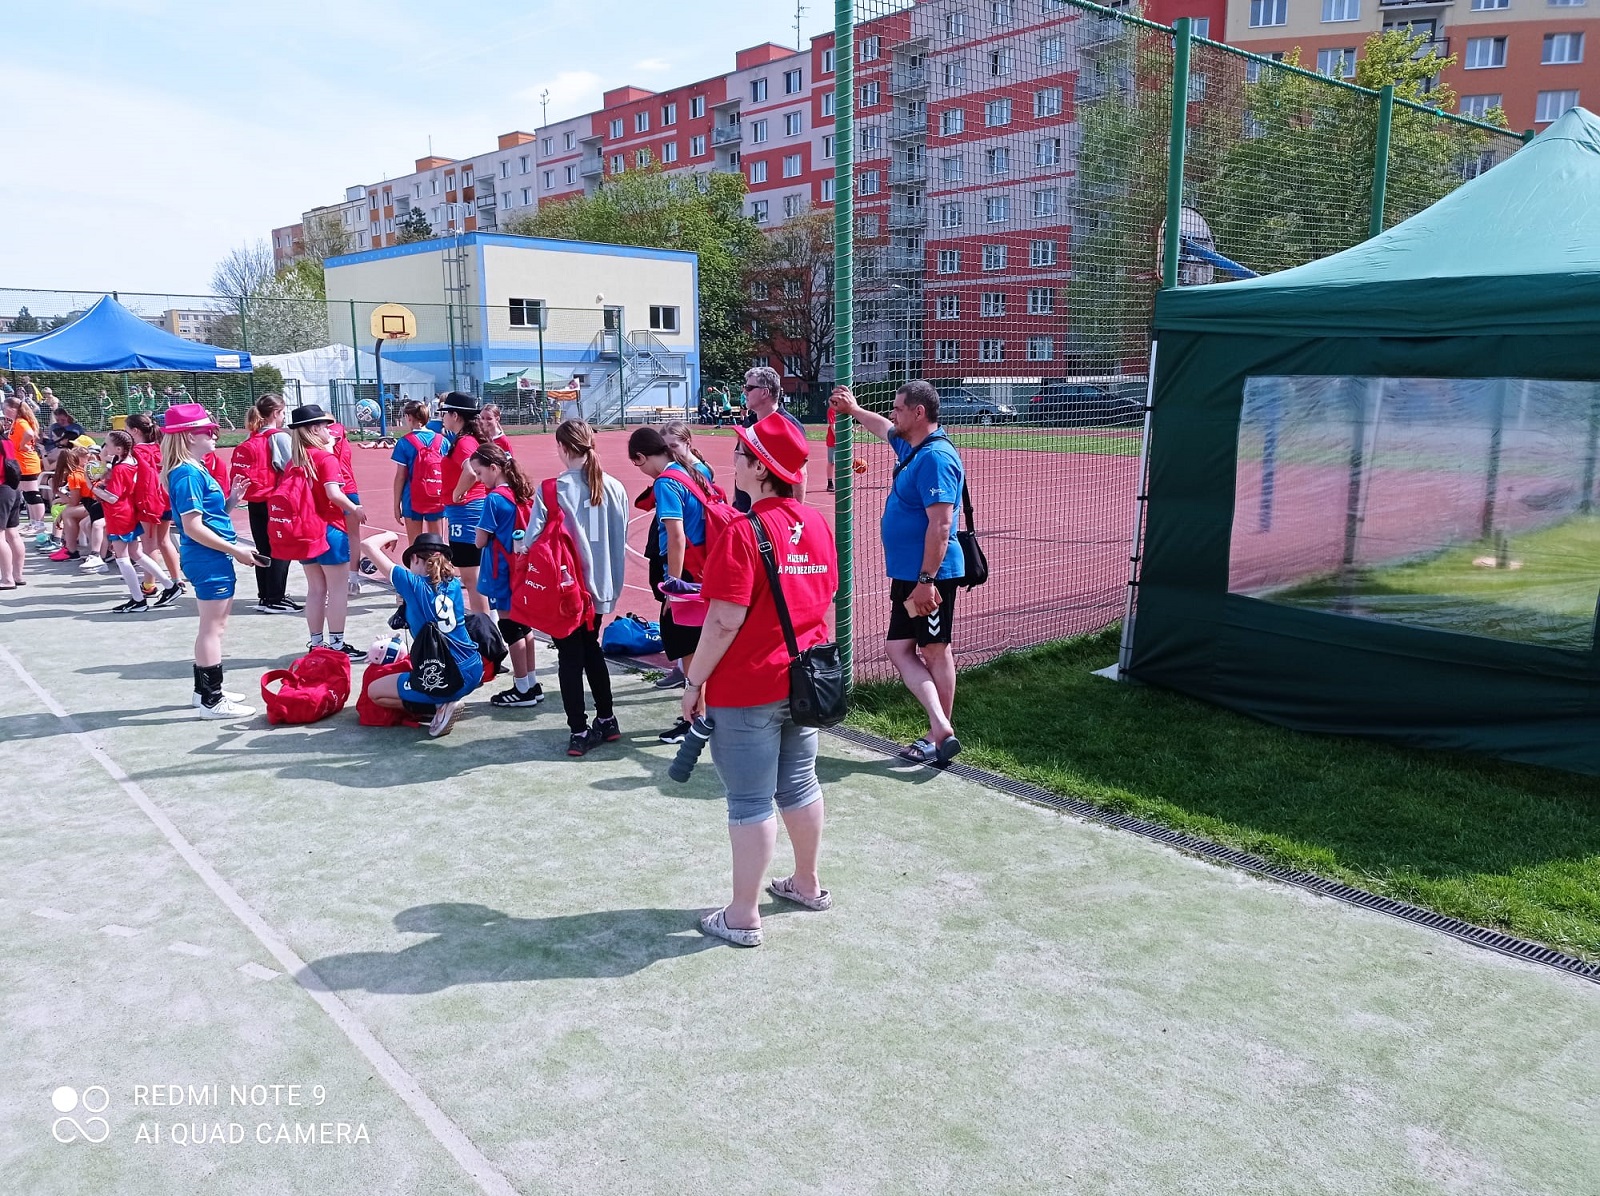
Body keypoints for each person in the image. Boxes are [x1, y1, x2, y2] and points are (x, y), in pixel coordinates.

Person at [681, 412, 838, 947]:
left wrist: (693, 680)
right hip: (804, 682)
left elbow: (724, 619)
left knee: (749, 801)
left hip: (747, 685)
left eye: (743, 453)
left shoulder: (744, 532)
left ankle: (743, 914)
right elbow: (823, 598)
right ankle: (807, 883)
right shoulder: (817, 522)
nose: (736, 459)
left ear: (760, 469)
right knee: (800, 783)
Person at [832, 380, 965, 764]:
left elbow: (941, 526)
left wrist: (926, 582)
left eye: (898, 408)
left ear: (918, 413)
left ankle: (938, 735)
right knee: (898, 648)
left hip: (930, 578)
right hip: (909, 575)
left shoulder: (936, 459)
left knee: (935, 651)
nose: (893, 414)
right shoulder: (913, 445)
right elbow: (881, 428)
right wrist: (854, 411)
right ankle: (940, 725)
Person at [526, 420, 629, 756]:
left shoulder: (551, 489)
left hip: (566, 590)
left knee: (570, 657)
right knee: (591, 649)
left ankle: (578, 729)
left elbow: (531, 542)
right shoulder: (615, 487)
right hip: (602, 586)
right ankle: (607, 718)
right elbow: (620, 536)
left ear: (564, 448)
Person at [159, 404, 259, 718]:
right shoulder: (187, 472)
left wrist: (231, 501)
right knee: (212, 629)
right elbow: (192, 526)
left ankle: (204, 691)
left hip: (208, 555)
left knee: (213, 627)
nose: (215, 435)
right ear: (190, 436)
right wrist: (236, 550)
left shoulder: (194, 468)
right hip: (207, 557)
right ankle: (211, 700)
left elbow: (209, 519)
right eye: (208, 431)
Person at [628, 424, 719, 744]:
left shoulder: (667, 482)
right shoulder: (690, 471)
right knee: (699, 645)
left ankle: (696, 719)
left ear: (641, 458)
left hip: (687, 576)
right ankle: (704, 714)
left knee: (689, 649)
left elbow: (676, 536)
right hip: (705, 570)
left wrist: (673, 587)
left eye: (637, 464)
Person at [358, 530, 486, 738]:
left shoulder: (412, 583)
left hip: (447, 675)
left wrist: (390, 534)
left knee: (375, 692)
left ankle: (440, 705)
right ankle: (442, 701)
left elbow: (367, 545)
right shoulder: (452, 583)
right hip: (473, 667)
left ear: (416, 559)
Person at [275, 404, 365, 656]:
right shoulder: (326, 458)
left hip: (305, 529)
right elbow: (333, 493)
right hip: (330, 529)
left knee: (315, 589)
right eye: (325, 426)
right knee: (337, 590)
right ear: (315, 429)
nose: (329, 431)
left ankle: (316, 643)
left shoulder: (295, 461)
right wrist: (354, 508)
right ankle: (337, 644)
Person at [467, 442, 545, 709]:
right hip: (522, 567)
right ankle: (531, 682)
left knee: (511, 628)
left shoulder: (494, 499)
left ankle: (522, 686)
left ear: (493, 468)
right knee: (525, 627)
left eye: (479, 473)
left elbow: (479, 540)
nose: (479, 479)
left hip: (502, 571)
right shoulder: (520, 493)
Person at [93, 429, 181, 612]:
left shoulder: (120, 468)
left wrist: (92, 487)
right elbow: (104, 475)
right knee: (137, 553)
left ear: (117, 449)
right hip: (128, 512)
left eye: (107, 444)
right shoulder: (128, 461)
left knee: (122, 557)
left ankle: (137, 599)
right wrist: (102, 460)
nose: (104, 446)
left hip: (118, 514)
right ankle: (170, 585)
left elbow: (112, 497)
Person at [231, 394, 299, 614]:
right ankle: (275, 597)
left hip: (255, 501)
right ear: (277, 413)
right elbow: (291, 467)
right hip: (275, 501)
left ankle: (266, 595)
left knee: (264, 548)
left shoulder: (252, 439)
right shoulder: (278, 437)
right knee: (282, 547)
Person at [438, 392, 490, 615]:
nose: (442, 418)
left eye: (445, 413)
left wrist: (458, 493)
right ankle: (487, 622)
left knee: (471, 576)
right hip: (470, 510)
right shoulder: (470, 440)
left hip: (467, 513)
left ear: (455, 415)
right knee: (475, 574)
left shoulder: (464, 442)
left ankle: (484, 627)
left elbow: (471, 472)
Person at [733, 365, 806, 512]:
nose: (744, 392)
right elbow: (739, 467)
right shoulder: (749, 423)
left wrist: (796, 513)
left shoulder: (789, 427)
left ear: (765, 392)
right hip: (745, 509)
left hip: (771, 512)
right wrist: (736, 504)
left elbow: (800, 474)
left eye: (749, 387)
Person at [126, 412, 185, 591]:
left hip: (148, 501)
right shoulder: (160, 447)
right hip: (165, 499)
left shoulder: (136, 451)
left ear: (135, 431)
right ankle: (177, 579)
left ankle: (150, 584)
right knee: (164, 541)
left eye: (126, 429)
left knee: (149, 544)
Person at [391, 400, 448, 540]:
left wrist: (396, 505)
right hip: (437, 495)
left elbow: (400, 476)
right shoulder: (442, 441)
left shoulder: (404, 442)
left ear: (409, 417)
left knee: (415, 544)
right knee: (438, 543)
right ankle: (438, 562)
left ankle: (416, 562)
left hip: (412, 498)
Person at [4, 396, 46, 540]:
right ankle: (33, 522)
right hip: (21, 462)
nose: (4, 411)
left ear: (12, 408)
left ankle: (39, 523)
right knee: (28, 494)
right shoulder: (16, 422)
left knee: (32, 493)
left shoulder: (21, 422)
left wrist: (22, 445)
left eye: (5, 408)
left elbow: (30, 434)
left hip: (27, 463)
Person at [0, 455, 25, 590]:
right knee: (12, 532)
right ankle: (17, 576)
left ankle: (7, 579)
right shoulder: (6, 440)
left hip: (2, 489)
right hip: (12, 488)